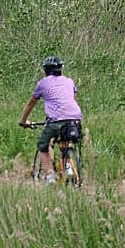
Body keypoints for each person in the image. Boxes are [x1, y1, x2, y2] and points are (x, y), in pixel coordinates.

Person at [18, 55, 83, 184]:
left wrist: (23, 121)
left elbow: (31, 103)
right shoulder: (69, 81)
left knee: (43, 145)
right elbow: (72, 100)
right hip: (74, 119)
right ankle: (68, 166)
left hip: (55, 120)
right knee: (66, 138)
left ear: (46, 70)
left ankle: (50, 175)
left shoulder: (43, 83)